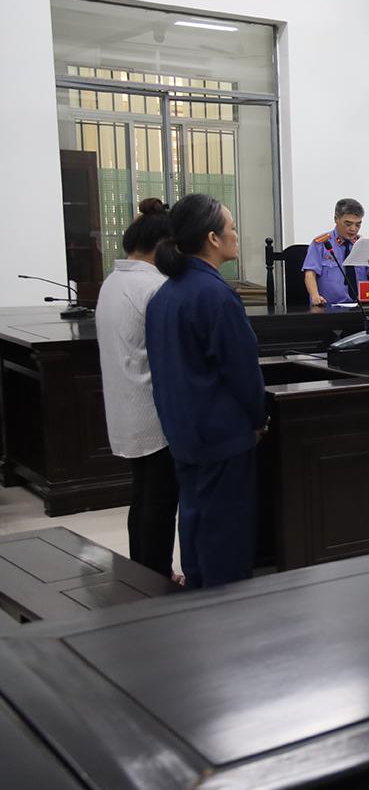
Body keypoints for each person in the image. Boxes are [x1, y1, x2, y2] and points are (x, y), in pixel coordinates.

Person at [145, 194, 267, 589]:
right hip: (221, 434)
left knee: (195, 521)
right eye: (231, 228)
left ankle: (199, 599)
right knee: (225, 534)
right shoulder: (215, 295)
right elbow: (242, 370)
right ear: (213, 238)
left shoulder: (165, 294)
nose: (236, 235)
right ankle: (225, 610)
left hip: (183, 430)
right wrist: (258, 417)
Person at [95, 202, 178, 580]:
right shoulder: (153, 287)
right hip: (153, 408)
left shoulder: (112, 282)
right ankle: (156, 578)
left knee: (143, 495)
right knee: (160, 500)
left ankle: (140, 573)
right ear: (162, 244)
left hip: (125, 406)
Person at [303, 198, 369, 305]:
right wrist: (314, 296)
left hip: (360, 306)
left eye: (358, 224)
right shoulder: (322, 243)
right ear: (336, 219)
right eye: (348, 224)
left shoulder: (362, 244)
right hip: (329, 306)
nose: (353, 229)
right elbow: (310, 273)